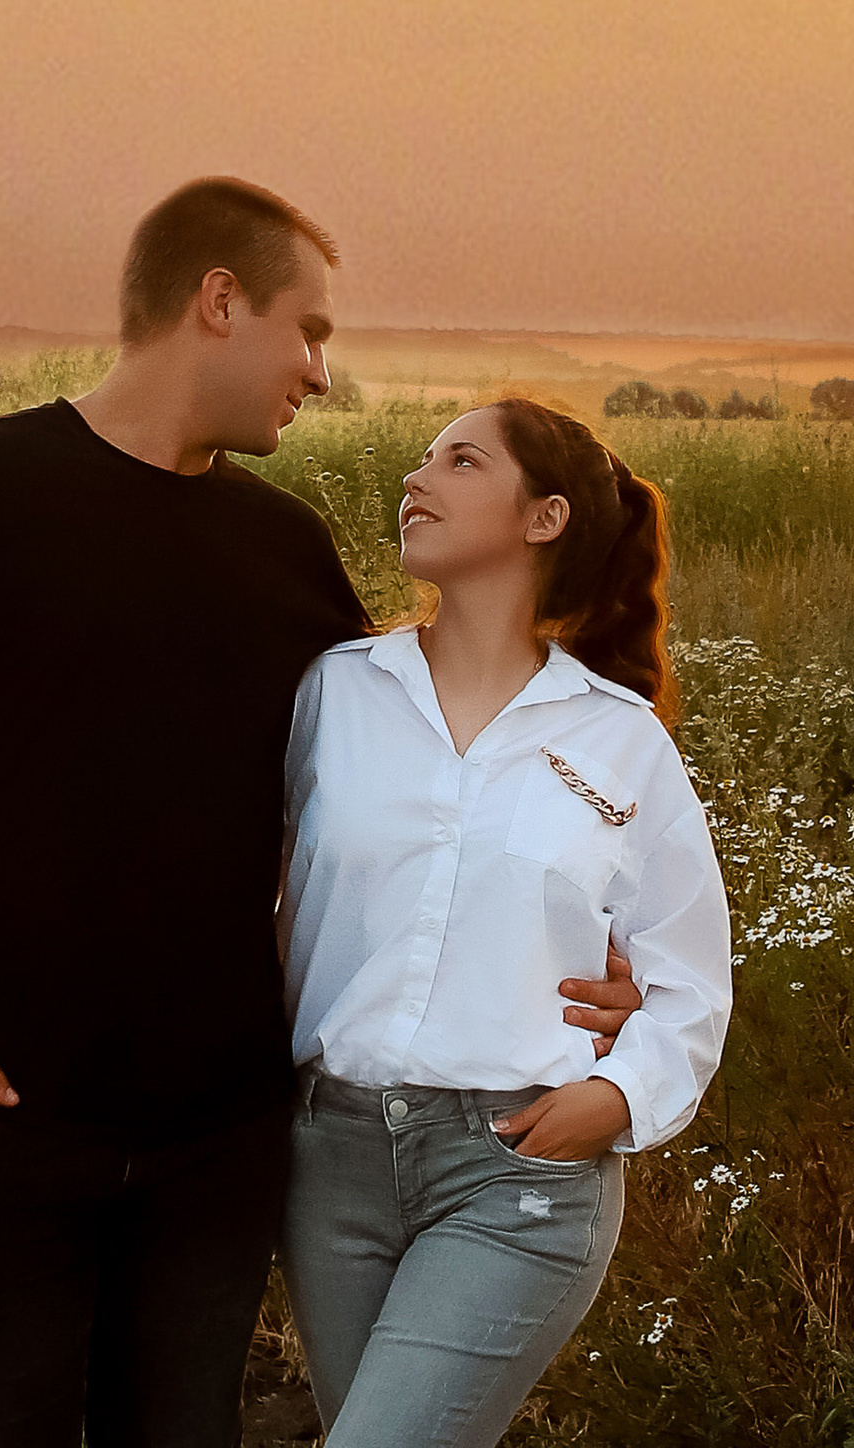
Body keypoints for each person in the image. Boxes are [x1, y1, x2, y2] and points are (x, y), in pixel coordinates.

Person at [0, 183, 638, 1448]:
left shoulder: (285, 550)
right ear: (219, 301)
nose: (320, 373)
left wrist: (595, 956)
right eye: (306, 331)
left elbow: (411, 805)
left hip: (222, 1140)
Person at [279, 399, 732, 1448]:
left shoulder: (618, 741)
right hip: (327, 1161)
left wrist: (617, 1096)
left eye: (460, 460)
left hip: (514, 1173)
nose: (415, 478)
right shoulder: (336, 692)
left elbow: (690, 974)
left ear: (544, 518)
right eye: (422, 459)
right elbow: (265, 894)